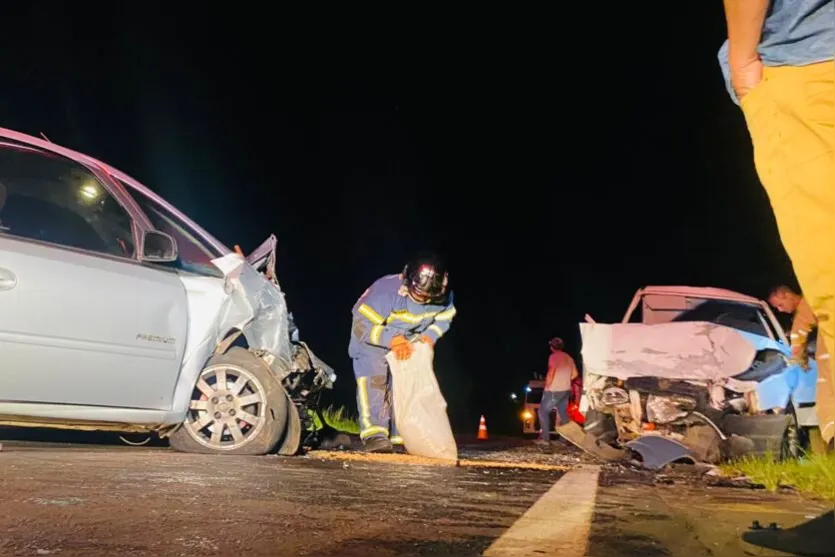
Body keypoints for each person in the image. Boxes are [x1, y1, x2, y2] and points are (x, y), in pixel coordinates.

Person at [718, 1, 835, 453]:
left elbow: (806, 319)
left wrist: (743, 60)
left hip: (809, 62)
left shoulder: (802, 306)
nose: (783, 306)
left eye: (781, 302)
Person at [348, 252, 456, 453]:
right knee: (375, 383)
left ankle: (402, 435)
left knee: (404, 386)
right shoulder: (384, 291)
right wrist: (392, 340)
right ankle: (375, 434)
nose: (424, 301)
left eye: (430, 297)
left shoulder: (444, 295)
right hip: (372, 342)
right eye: (420, 296)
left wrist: (429, 337)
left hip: (409, 341)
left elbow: (444, 318)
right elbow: (361, 326)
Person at [768, 285, 834, 450]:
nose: (780, 310)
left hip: (826, 365)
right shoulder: (818, 301)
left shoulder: (806, 307)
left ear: (786, 295)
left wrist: (797, 359)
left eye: (780, 305)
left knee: (827, 400)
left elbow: (797, 340)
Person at [536, 337, 578, 445]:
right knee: (563, 414)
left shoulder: (553, 357)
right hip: (565, 390)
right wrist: (565, 380)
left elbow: (551, 372)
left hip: (554, 390)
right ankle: (565, 440)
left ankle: (545, 439)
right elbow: (575, 374)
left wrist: (547, 386)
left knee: (543, 411)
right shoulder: (569, 357)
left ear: (552, 347)